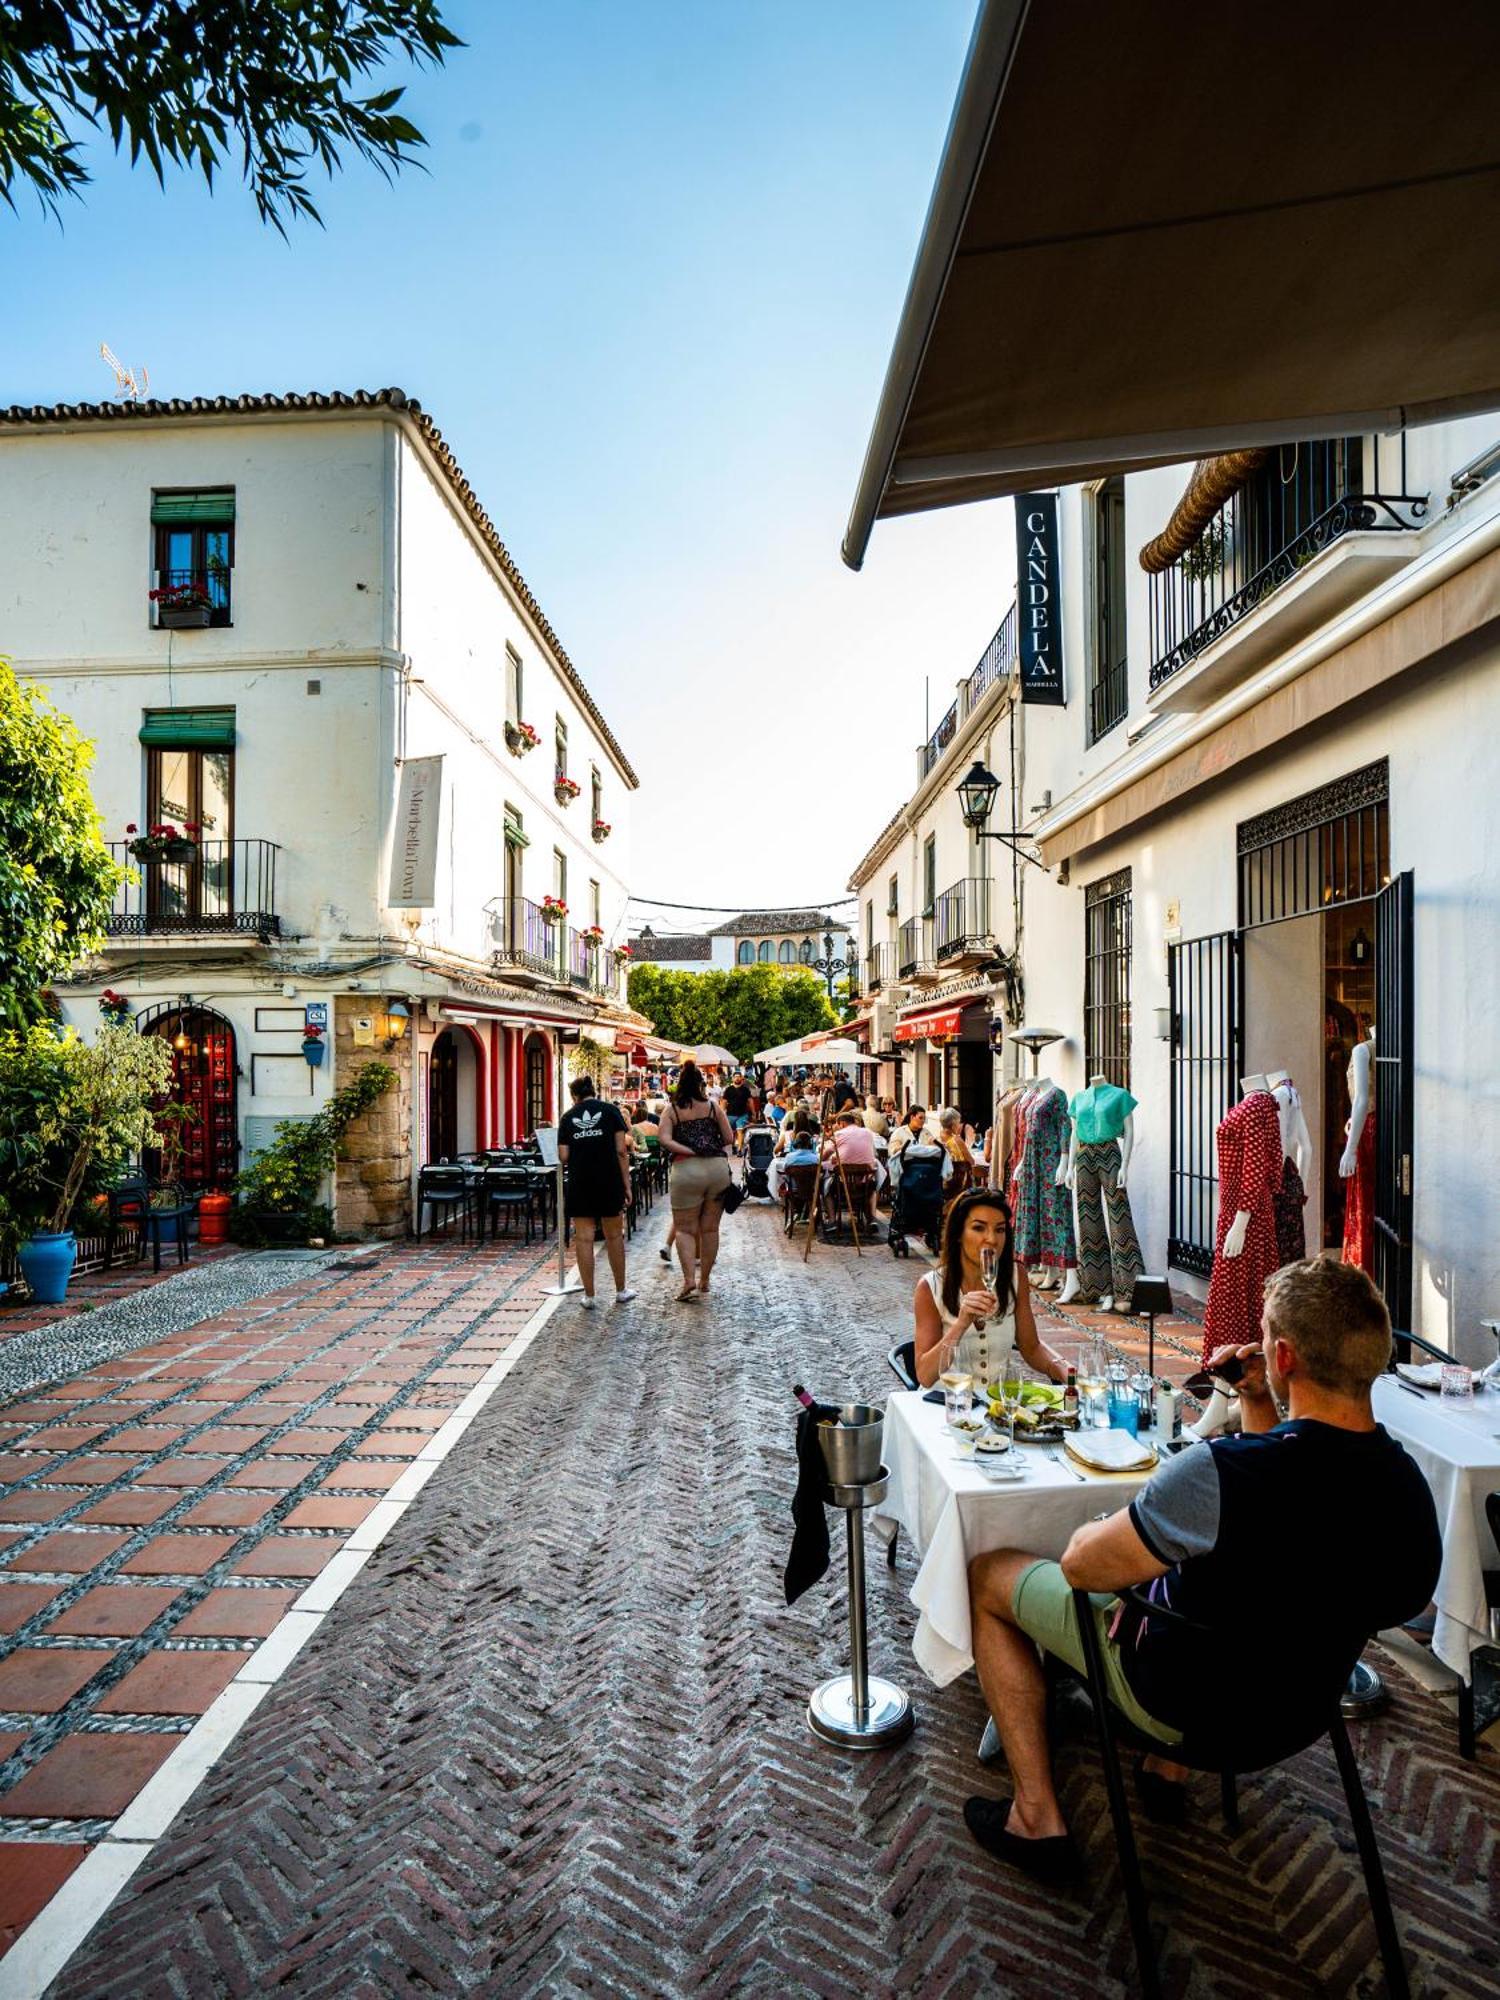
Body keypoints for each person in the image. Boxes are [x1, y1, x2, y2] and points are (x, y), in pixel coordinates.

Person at [962, 1256, 1442, 1882]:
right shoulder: (1405, 1486)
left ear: (1287, 1355)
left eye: (1266, 1337)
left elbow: (1083, 1569)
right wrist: (1259, 1398)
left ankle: (1035, 1817)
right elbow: (1308, 1533)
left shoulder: (1219, 1473)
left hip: (1178, 1701)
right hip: (1296, 1711)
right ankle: (1164, 1773)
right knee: (1231, 1589)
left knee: (990, 1574)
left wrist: (1096, 1526)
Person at [913, 1188, 1066, 1390]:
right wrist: (961, 1324)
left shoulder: (1015, 1276)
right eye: (979, 1228)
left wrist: (1065, 1371)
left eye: (1000, 1229)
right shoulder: (930, 1286)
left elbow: (1031, 1348)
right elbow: (924, 1375)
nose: (992, 1239)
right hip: (946, 1405)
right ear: (958, 1233)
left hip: (999, 1407)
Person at [557, 1075, 637, 1309]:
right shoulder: (611, 1111)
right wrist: (627, 1184)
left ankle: (589, 1296)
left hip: (580, 1182)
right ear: (593, 1090)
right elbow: (621, 1151)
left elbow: (563, 1156)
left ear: (574, 1096)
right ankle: (621, 1290)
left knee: (584, 1238)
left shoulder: (568, 1117)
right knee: (614, 1236)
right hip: (609, 1181)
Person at [657, 1061, 734, 1301]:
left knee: (685, 1229)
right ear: (701, 1084)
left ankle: (689, 1279)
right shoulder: (713, 1107)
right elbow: (729, 1137)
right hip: (717, 1169)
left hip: (686, 1170)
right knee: (710, 1229)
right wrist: (708, 1146)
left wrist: (687, 1149)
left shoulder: (672, 1111)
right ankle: (705, 1280)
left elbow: (664, 1139)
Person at [722, 1072, 753, 1153]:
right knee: (732, 1132)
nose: (737, 1078)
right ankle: (733, 1146)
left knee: (740, 1130)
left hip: (742, 1114)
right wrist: (722, 1113)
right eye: (735, 1077)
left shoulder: (745, 1090)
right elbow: (724, 1101)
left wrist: (753, 1112)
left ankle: (739, 1149)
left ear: (741, 1078)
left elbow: (750, 1101)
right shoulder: (728, 1089)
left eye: (739, 1077)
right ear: (732, 1079)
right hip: (730, 1114)